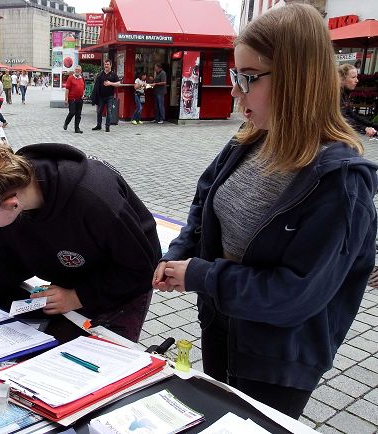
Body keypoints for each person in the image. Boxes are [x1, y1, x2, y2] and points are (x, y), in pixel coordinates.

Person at [152, 3, 377, 419]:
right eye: (236, 76)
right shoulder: (250, 139)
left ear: (298, 79)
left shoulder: (341, 183)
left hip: (277, 357)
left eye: (248, 78)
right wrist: (177, 255)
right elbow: (204, 209)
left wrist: (200, 275)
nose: (235, 91)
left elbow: (296, 295)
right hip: (222, 322)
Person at [0, 131, 161, 342]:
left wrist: (79, 296)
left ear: (11, 204)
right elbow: (14, 262)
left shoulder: (95, 199)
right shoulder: (3, 200)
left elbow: (141, 269)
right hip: (69, 286)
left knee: (109, 370)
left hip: (122, 288)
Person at [338, 63, 378, 137]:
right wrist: (364, 128)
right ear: (342, 79)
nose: (357, 80)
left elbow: (351, 114)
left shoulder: (344, 93)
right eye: (353, 77)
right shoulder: (335, 95)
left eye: (357, 77)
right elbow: (341, 118)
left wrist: (373, 125)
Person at [91, 59, 120, 133]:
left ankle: (107, 126)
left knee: (109, 112)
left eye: (108, 64)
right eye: (105, 64)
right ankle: (99, 125)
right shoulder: (100, 74)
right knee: (99, 111)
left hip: (110, 96)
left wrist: (110, 83)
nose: (106, 66)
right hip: (101, 96)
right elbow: (96, 85)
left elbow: (118, 84)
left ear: (110, 65)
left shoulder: (113, 74)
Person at [63, 65, 85, 134]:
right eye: (76, 69)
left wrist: (83, 95)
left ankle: (77, 128)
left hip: (80, 99)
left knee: (78, 114)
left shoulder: (82, 78)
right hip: (72, 99)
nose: (77, 71)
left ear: (81, 71)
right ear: (74, 70)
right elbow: (67, 89)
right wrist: (66, 99)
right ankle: (66, 123)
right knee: (72, 112)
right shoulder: (70, 78)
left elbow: (83, 88)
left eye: (78, 70)